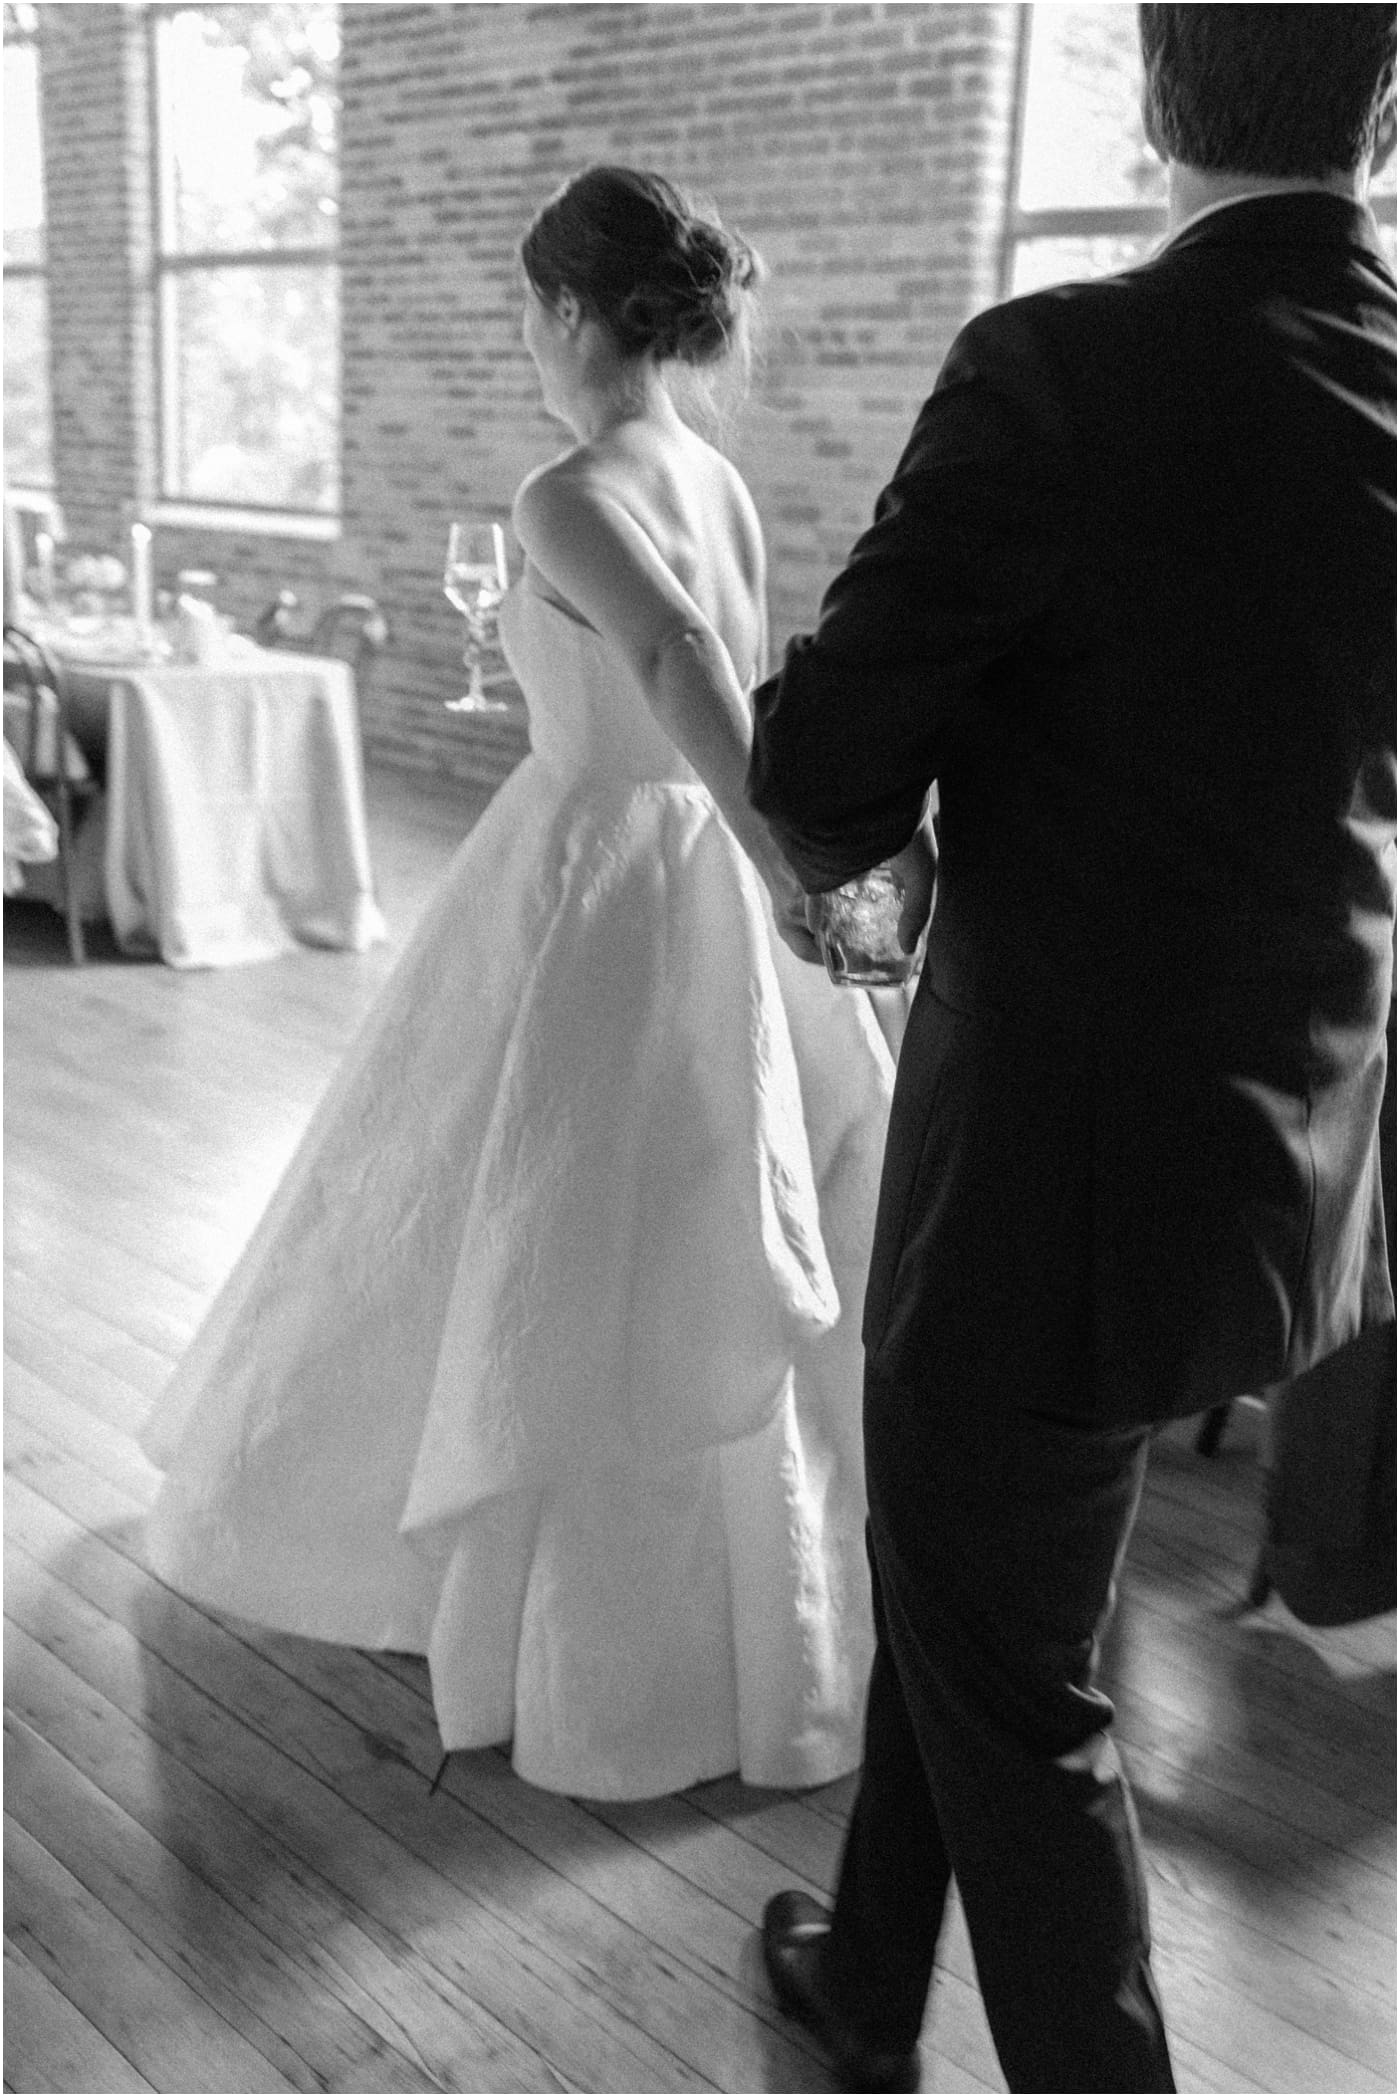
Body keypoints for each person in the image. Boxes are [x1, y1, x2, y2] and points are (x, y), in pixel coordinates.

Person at [747, 7, 1397, 2091]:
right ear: (1384, 110)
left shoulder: (1061, 364)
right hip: (1301, 1153)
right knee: (984, 1590)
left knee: (1016, 1680)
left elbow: (824, 747)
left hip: (1049, 1163)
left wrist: (871, 910)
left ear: (1147, 90)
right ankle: (864, 1975)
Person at [142, 166, 896, 1802]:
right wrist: (767, 859)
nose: (523, 335)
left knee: (546, 1221)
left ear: (567, 311)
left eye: (522, 305)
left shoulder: (562, 489)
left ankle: (530, 1598)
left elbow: (684, 659)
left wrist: (790, 862)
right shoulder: (717, 473)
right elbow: (724, 656)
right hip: (694, 859)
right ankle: (748, 1605)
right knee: (676, 1215)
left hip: (601, 872)